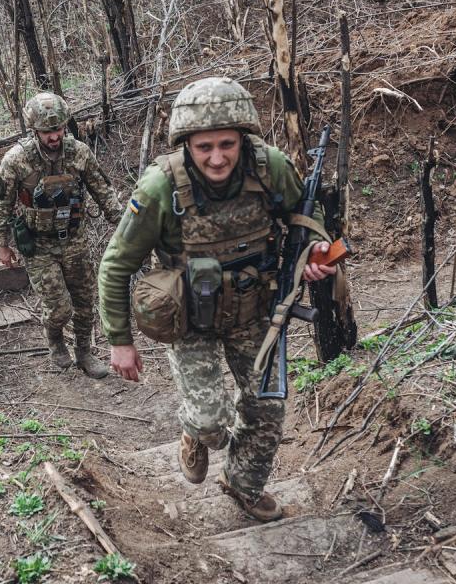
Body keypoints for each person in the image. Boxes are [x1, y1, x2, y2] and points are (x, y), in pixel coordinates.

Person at [97, 77, 337, 521]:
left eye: (227, 144)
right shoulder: (159, 187)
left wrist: (316, 248)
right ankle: (193, 430)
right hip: (190, 319)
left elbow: (306, 211)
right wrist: (120, 340)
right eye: (204, 146)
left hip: (256, 311)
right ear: (186, 143)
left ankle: (244, 485)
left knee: (267, 408)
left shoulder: (270, 167)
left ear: (242, 138)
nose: (217, 157)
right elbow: (115, 265)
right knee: (211, 421)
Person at [0, 93, 122, 379]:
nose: (54, 136)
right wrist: (2, 243)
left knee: (85, 302)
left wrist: (123, 224)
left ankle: (85, 352)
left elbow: (102, 189)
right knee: (59, 308)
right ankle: (55, 339)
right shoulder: (17, 160)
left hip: (74, 239)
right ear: (34, 130)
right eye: (47, 131)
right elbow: (1, 201)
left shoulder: (79, 153)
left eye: (59, 129)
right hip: (38, 245)